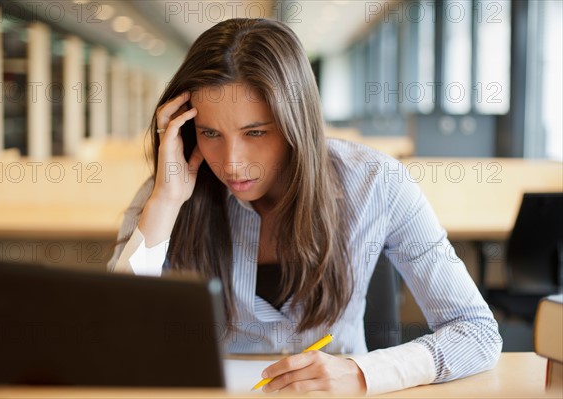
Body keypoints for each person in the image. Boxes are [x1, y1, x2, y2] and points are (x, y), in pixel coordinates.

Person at [108, 18, 502, 395]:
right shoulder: (170, 190)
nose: (232, 163)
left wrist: (362, 374)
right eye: (211, 133)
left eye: (256, 132)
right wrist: (164, 203)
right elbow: (115, 338)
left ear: (296, 122)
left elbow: (476, 331)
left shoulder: (378, 183)